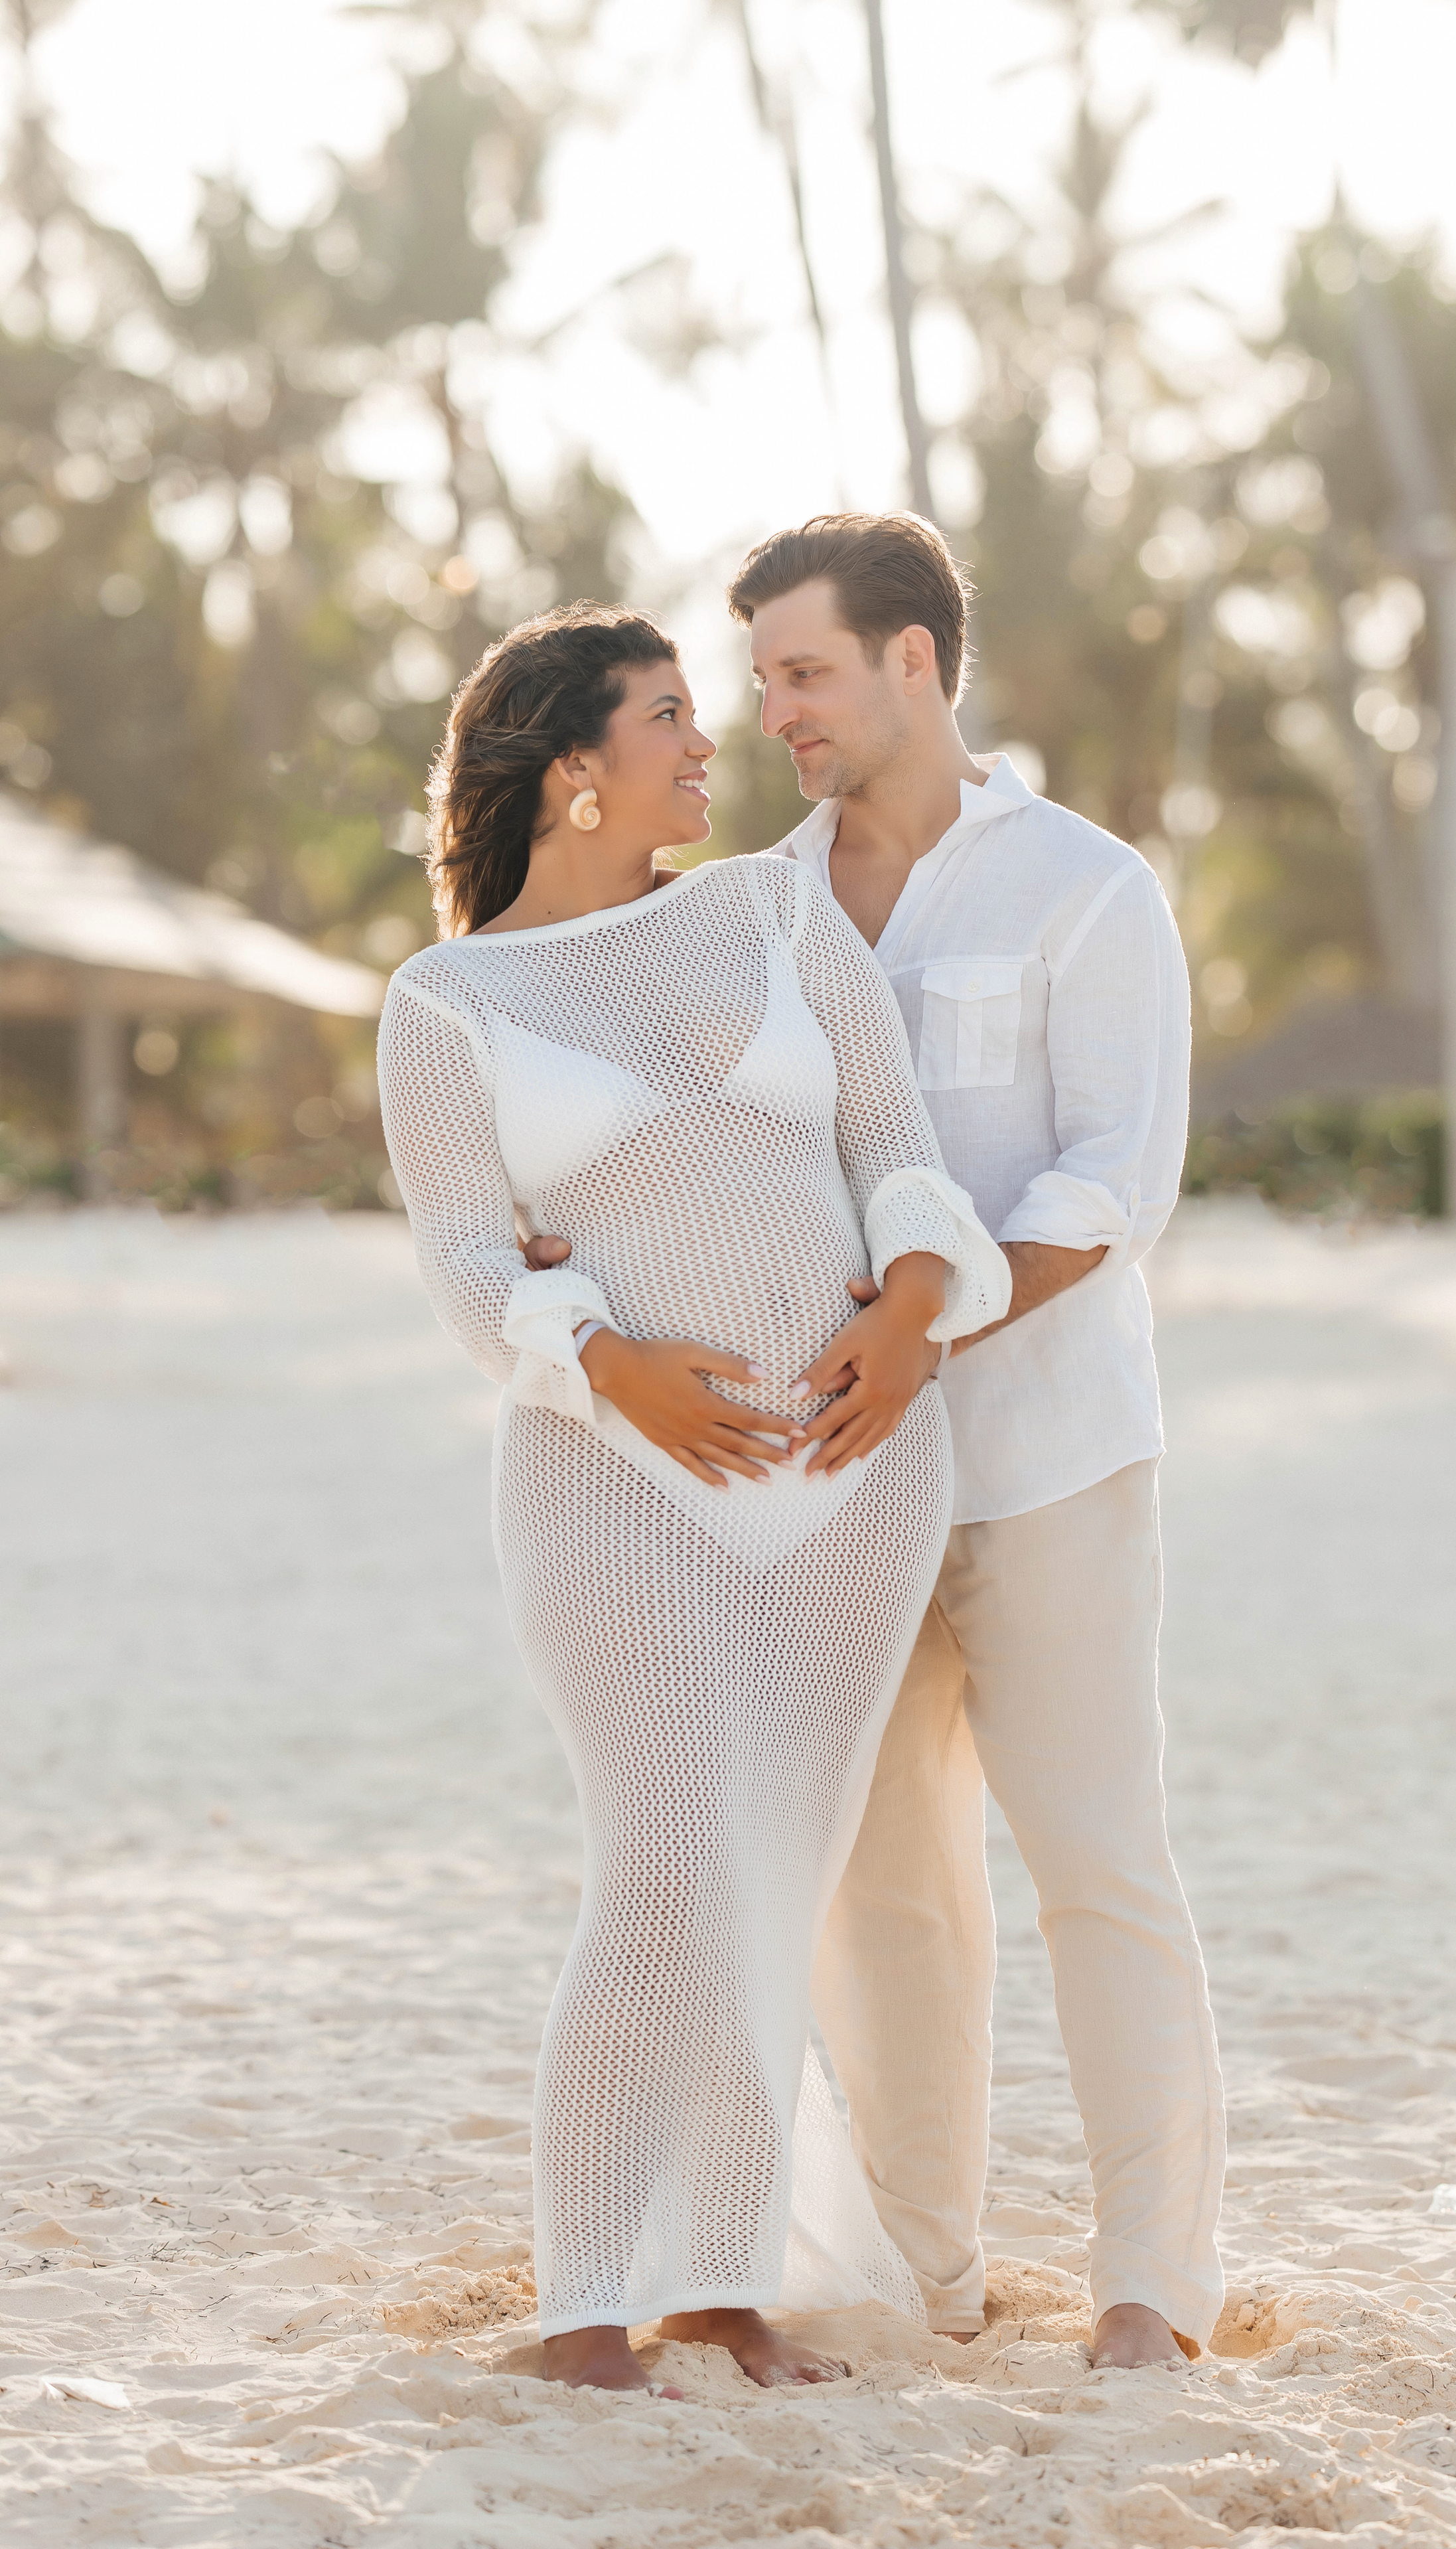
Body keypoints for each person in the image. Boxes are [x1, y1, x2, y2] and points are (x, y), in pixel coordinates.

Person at [534, 514, 1226, 2370]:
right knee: (887, 1896)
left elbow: (1118, 1180)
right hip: (834, 1489)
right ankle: (929, 2276)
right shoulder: (751, 911)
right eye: (759, 680)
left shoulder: (1089, 890)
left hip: (1048, 1457)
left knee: (1099, 1865)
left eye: (807, 672)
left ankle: (1152, 2285)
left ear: (918, 660)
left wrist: (934, 1318)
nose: (776, 713)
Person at [376, 600, 1010, 2397]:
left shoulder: (771, 910)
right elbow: (458, 1261)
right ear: (573, 770)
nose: (707, 740)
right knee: (658, 1873)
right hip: (610, 1486)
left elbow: (889, 1142)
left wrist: (909, 1307)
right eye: (666, 713)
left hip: (851, 1482)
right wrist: (608, 1362)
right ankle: (587, 2306)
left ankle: (722, 2287)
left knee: (768, 1885)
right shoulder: (449, 1004)